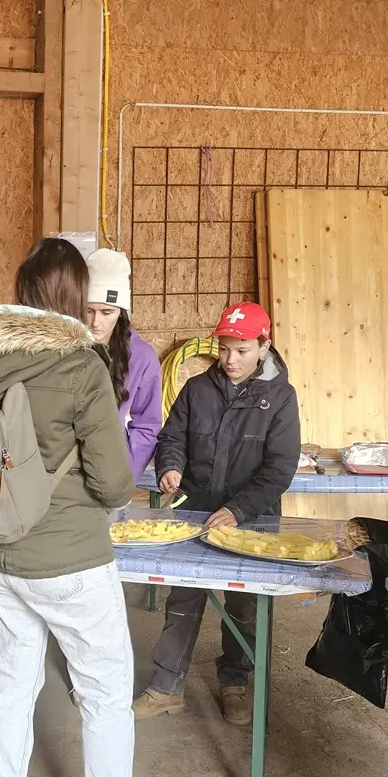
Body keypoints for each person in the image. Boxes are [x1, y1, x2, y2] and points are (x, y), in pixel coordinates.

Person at [0, 237, 170, 777]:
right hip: (68, 560)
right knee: (103, 690)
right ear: (72, 297)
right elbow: (116, 484)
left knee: (12, 679)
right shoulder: (80, 367)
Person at [134, 302, 300, 726]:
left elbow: (280, 468)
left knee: (244, 605)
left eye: (241, 350)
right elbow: (172, 436)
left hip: (252, 519)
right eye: (225, 349)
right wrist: (171, 466)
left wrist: (237, 509)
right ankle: (166, 687)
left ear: (264, 346)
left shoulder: (280, 398)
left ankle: (235, 682)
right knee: (183, 598)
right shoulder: (197, 389)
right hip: (195, 511)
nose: (230, 360)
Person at [83, 248, 162, 481]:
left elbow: (148, 424)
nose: (96, 322)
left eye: (106, 312)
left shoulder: (142, 356)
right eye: (89, 311)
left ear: (120, 312)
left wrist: (125, 473)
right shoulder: (68, 346)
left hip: (111, 471)